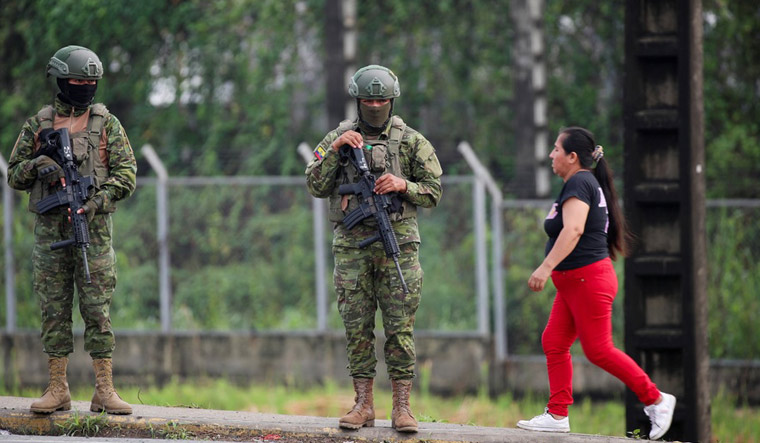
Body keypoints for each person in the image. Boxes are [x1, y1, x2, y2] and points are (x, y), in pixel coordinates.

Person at [305, 65, 442, 433]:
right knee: (357, 327)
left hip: (397, 244)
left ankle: (402, 407)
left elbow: (433, 191)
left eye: (382, 99)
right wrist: (335, 149)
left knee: (400, 328)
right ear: (358, 100)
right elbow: (315, 184)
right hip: (352, 249)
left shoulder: (411, 141)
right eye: (369, 99)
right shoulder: (339, 136)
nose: (376, 104)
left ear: (392, 100)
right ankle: (363, 404)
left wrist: (402, 185)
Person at [517, 127, 676, 440]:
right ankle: (558, 414)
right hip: (576, 282)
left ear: (572, 157)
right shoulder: (580, 183)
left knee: (599, 349)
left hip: (587, 280)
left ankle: (656, 399)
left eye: (556, 149)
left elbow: (574, 229)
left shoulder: (580, 181)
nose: (551, 155)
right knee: (554, 341)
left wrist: (545, 267)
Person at [6, 45, 137, 415]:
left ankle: (104, 389)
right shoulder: (39, 124)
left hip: (93, 235)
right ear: (61, 80)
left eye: (90, 81)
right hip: (50, 236)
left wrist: (97, 200)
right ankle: (58, 388)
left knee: (97, 310)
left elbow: (127, 173)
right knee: (54, 310)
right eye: (77, 80)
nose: (83, 86)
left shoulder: (106, 124)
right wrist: (39, 165)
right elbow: (14, 172)